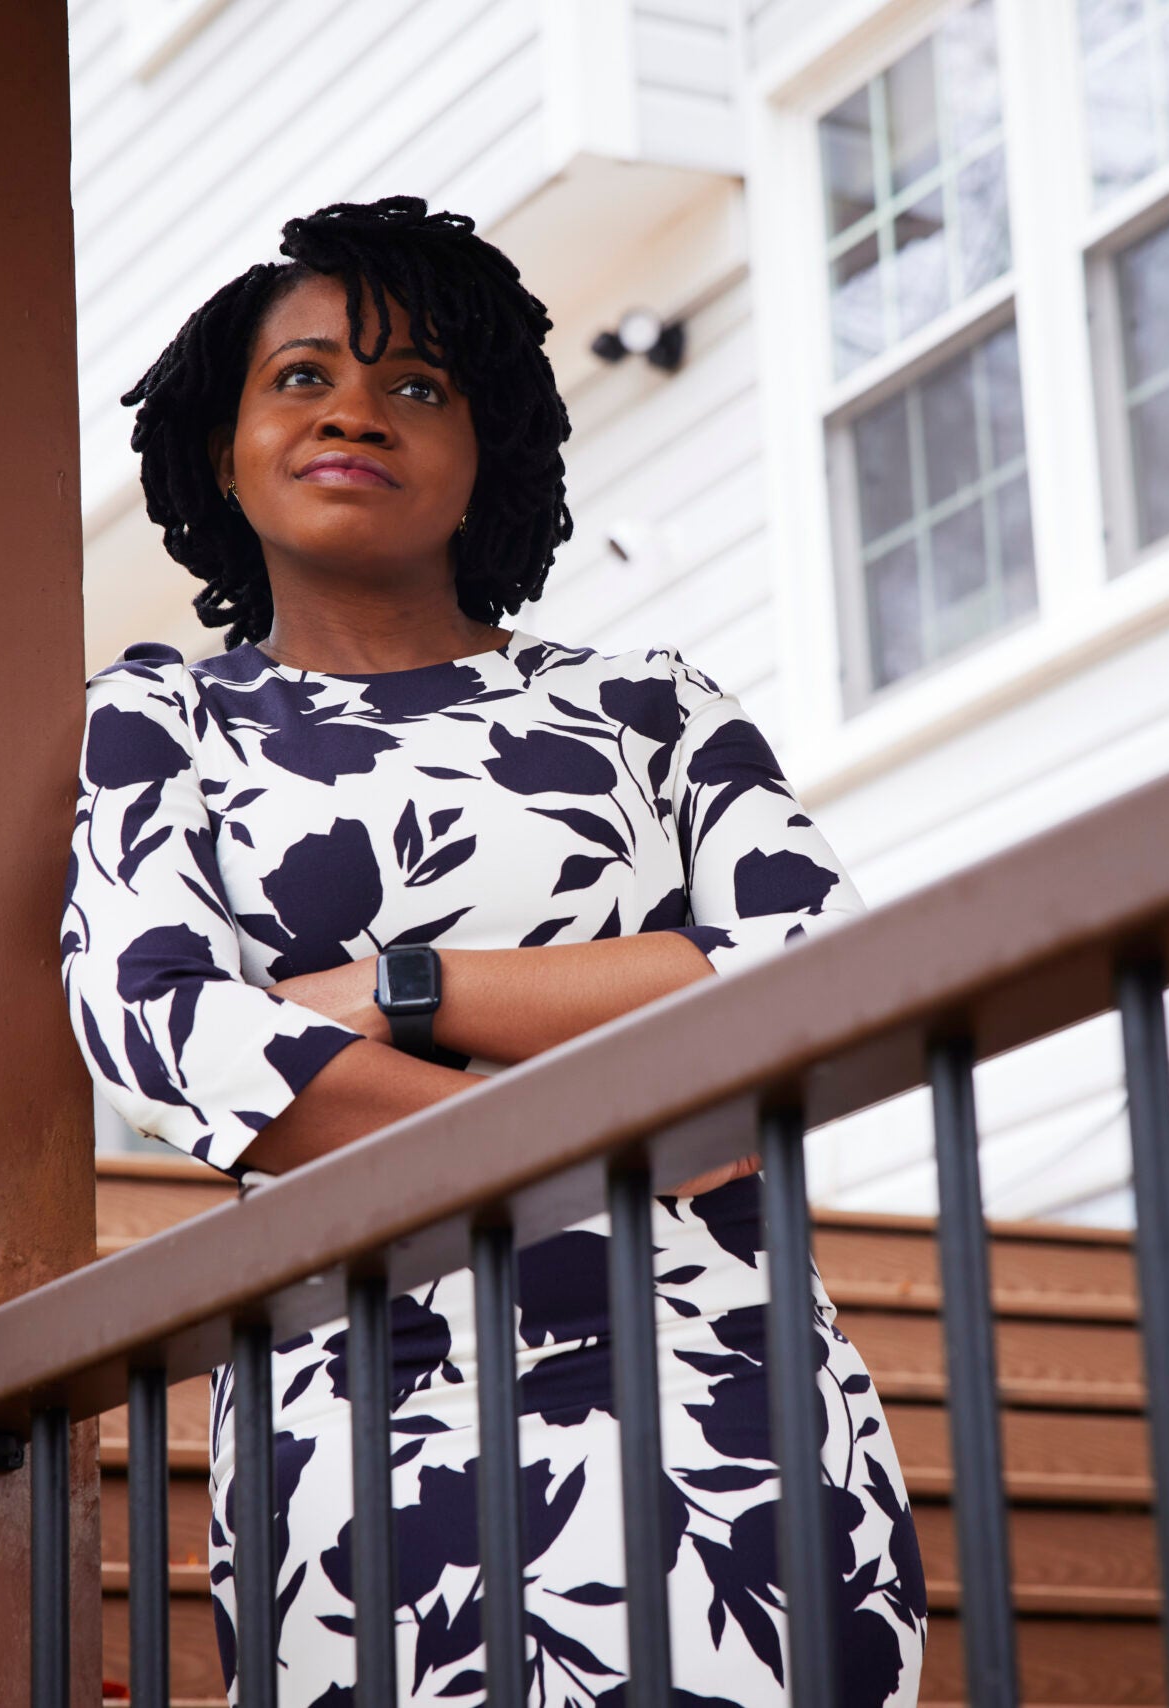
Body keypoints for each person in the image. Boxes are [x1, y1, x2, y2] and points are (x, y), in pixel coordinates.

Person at [64, 196, 924, 1708]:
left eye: (418, 386)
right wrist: (598, 1136)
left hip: (715, 1384)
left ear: (486, 452)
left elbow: (811, 968)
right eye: (304, 376)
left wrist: (412, 987)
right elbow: (167, 1030)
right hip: (370, 1404)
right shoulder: (161, 720)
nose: (357, 412)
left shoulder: (647, 706)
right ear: (222, 445)